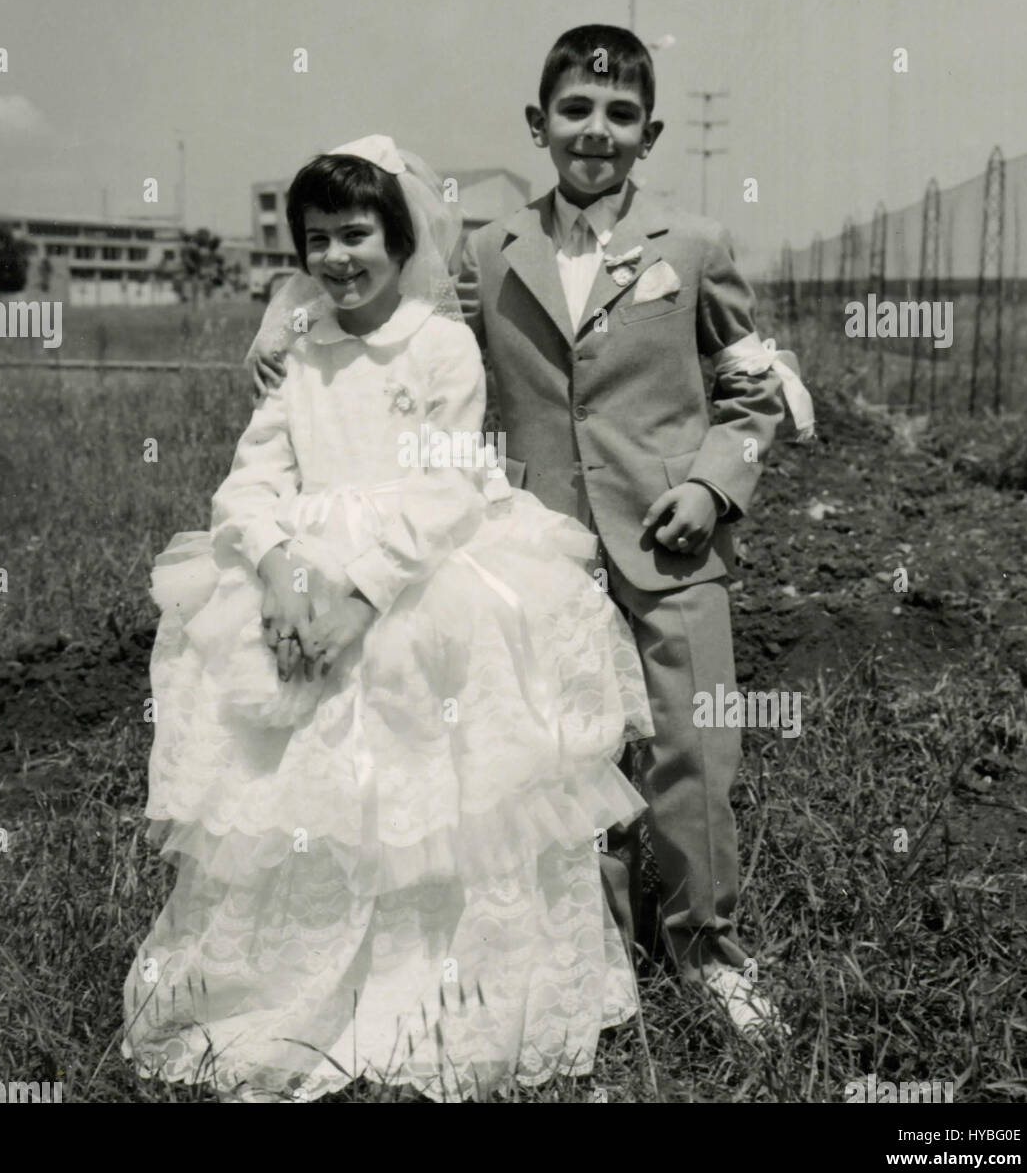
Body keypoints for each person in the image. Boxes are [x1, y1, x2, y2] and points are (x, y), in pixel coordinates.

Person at [123, 135, 653, 1103]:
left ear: (398, 236)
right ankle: (299, 988)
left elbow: (446, 483)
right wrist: (282, 571)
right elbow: (253, 478)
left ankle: (432, 992)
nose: (337, 257)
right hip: (302, 566)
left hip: (419, 572)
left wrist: (362, 594)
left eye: (357, 234)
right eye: (317, 239)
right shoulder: (303, 348)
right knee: (301, 795)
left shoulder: (436, 343)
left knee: (431, 781)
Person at [455, 26, 814, 1033]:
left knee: (693, 748)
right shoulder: (488, 249)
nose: (595, 131)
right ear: (539, 125)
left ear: (648, 133)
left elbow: (752, 386)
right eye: (575, 110)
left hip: (670, 544)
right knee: (565, 754)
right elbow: (425, 361)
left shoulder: (693, 245)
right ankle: (591, 955)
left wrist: (712, 485)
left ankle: (708, 951)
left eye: (618, 115)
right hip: (540, 551)